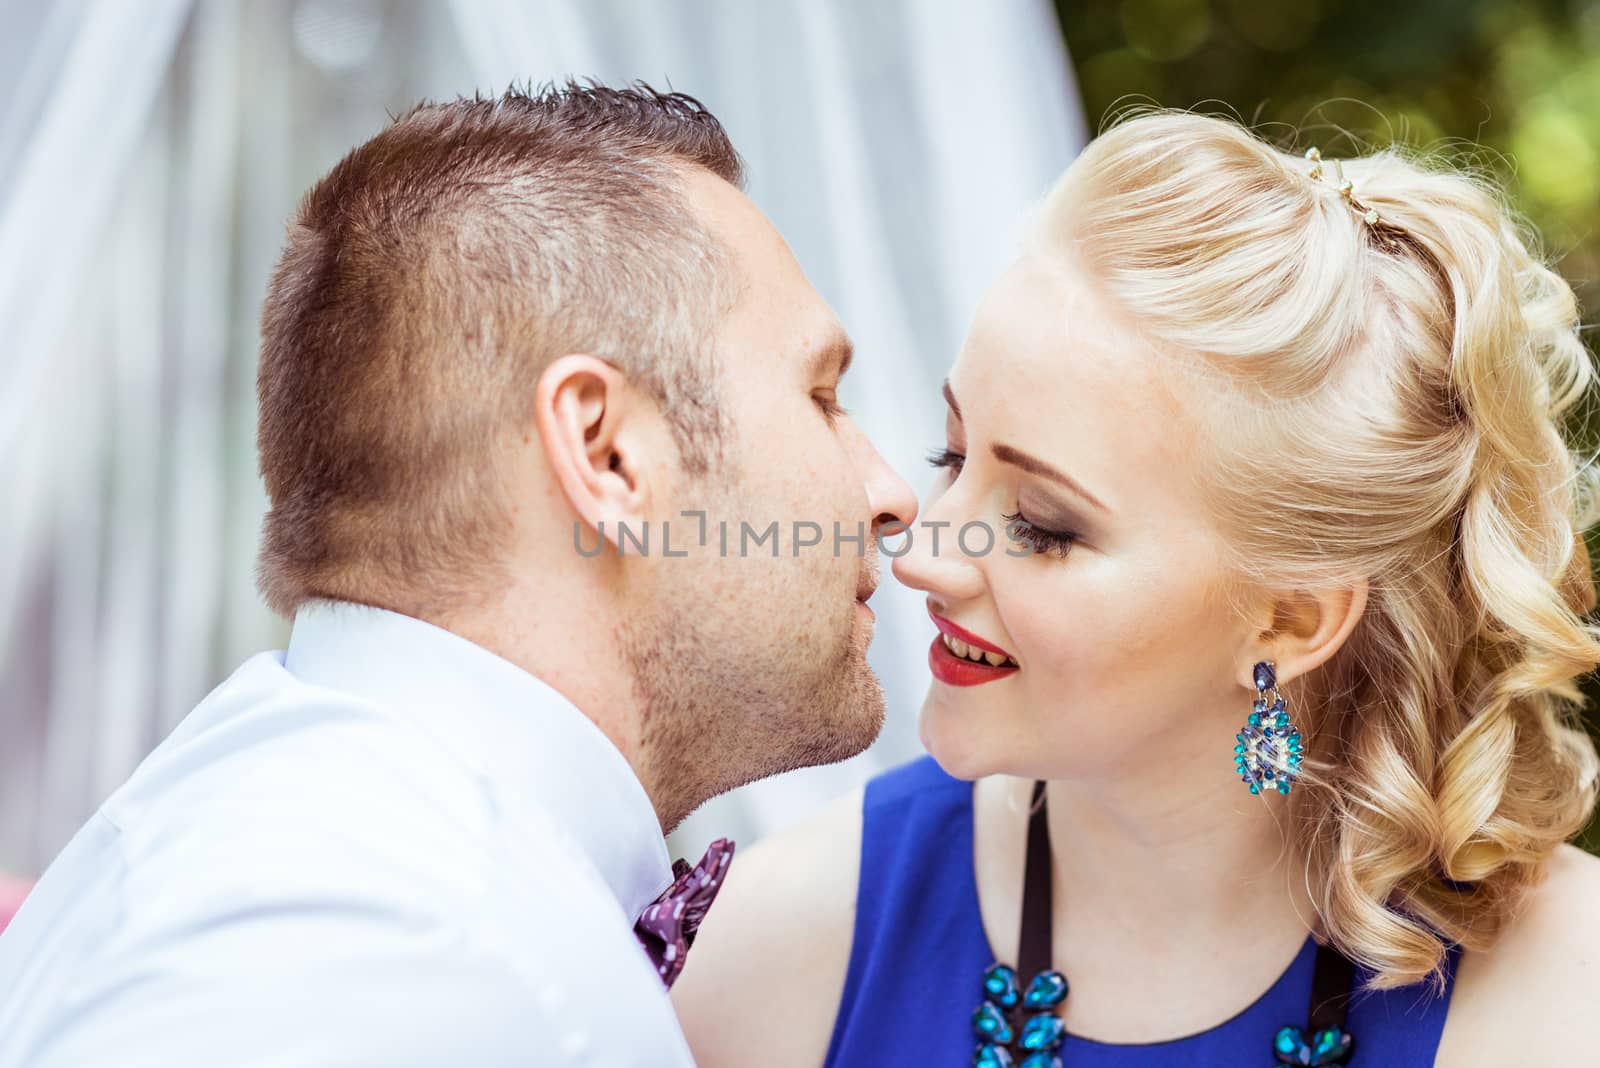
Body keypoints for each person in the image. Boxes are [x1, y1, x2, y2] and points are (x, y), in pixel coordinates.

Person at [0, 83, 916, 1066]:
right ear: (605, 452)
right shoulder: (409, 959)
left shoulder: (318, 840)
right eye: (820, 394)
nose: (890, 493)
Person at [671, 110, 1600, 1067]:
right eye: (950, 453)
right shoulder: (768, 954)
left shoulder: (1570, 998)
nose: (921, 551)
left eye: (1042, 523)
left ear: (1288, 620)